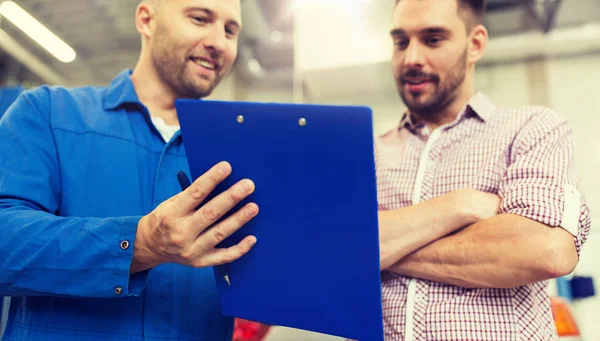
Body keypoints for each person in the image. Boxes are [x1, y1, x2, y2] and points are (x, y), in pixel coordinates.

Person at [0, 0, 259, 340]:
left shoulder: (243, 150)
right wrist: (140, 243)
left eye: (230, 30)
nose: (218, 42)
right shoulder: (47, 114)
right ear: (146, 19)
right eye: (199, 19)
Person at [376, 0, 591, 340]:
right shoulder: (368, 154)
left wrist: (384, 249)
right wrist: (458, 206)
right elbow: (328, 249)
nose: (411, 58)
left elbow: (546, 250)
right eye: (401, 41)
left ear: (475, 44)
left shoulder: (534, 129)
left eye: (432, 39)